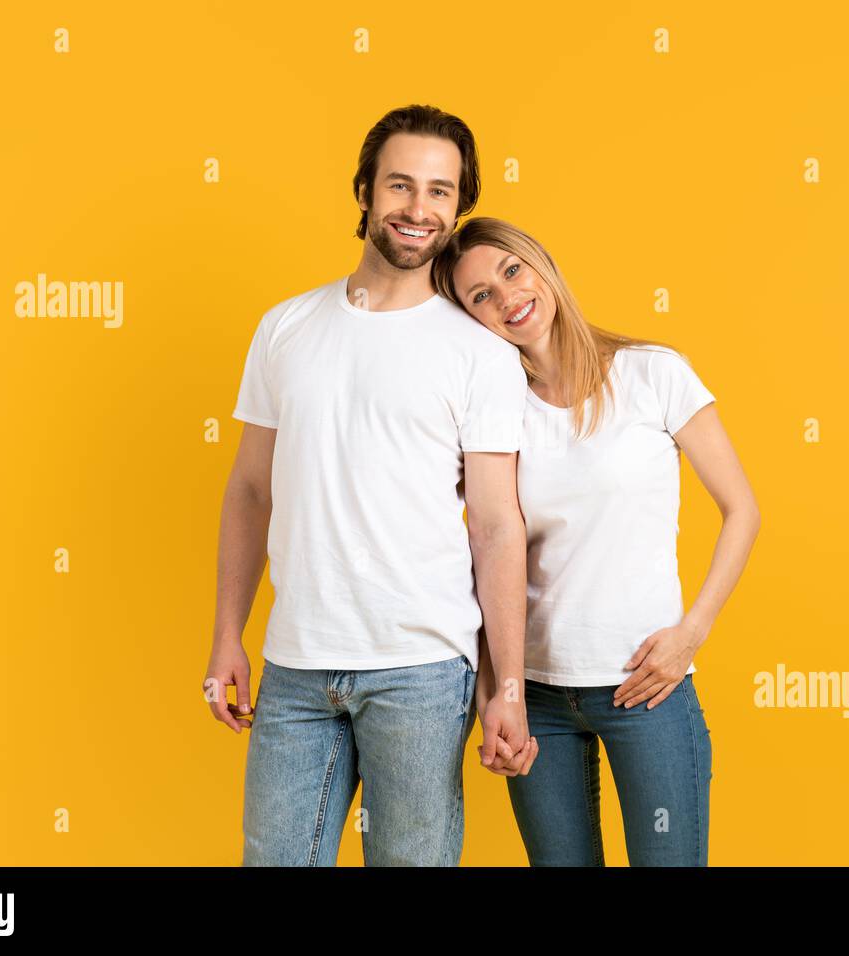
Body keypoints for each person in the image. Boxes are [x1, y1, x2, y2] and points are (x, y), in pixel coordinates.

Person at [204, 106, 538, 867]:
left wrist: (507, 688)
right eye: (400, 185)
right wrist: (229, 634)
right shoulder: (285, 327)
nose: (419, 209)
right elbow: (250, 490)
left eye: (441, 192)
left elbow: (495, 526)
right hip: (295, 664)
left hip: (421, 668)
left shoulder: (478, 354)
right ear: (364, 192)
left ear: (457, 209)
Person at [432, 217, 762, 866]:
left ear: (542, 266)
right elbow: (483, 558)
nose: (507, 298)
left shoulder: (652, 374)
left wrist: (691, 632)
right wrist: (498, 695)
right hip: (538, 697)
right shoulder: (496, 412)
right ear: (471, 320)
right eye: (480, 297)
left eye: (511, 271)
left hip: (647, 688)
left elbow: (742, 510)